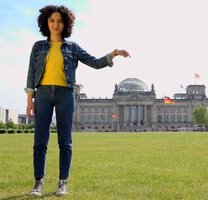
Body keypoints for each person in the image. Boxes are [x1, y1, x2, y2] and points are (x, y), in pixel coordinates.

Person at [25, 5, 130, 196]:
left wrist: (112, 54)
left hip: (66, 94)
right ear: (46, 23)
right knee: (40, 141)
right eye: (52, 21)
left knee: (65, 141)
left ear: (66, 24)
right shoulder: (38, 46)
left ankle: (62, 183)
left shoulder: (72, 47)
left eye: (60, 21)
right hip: (43, 94)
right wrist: (29, 99)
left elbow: (95, 63)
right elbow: (31, 73)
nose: (55, 25)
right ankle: (38, 182)